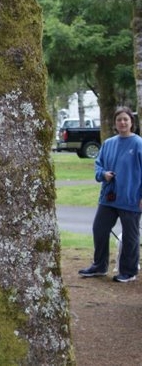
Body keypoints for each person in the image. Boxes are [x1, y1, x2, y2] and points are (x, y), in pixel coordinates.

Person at [79, 106, 142, 282]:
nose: (122, 122)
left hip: (131, 199)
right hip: (109, 197)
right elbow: (99, 165)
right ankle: (99, 266)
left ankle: (128, 272)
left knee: (130, 236)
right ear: (115, 123)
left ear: (131, 123)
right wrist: (103, 175)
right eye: (119, 119)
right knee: (99, 229)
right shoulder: (108, 143)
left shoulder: (138, 144)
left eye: (125, 119)